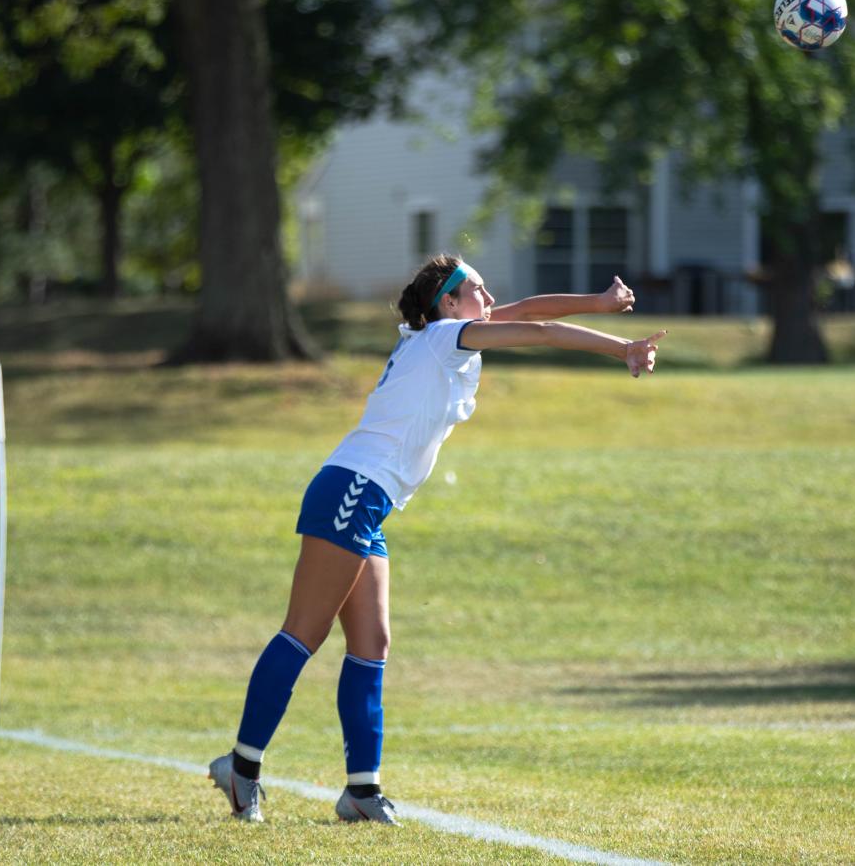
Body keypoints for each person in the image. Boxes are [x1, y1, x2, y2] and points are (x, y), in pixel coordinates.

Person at [208, 254, 666, 826]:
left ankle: (361, 791)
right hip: (351, 490)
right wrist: (619, 345)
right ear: (448, 302)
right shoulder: (446, 336)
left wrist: (598, 303)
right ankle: (242, 770)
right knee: (304, 632)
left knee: (371, 644)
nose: (491, 293)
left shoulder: (448, 335)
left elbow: (530, 312)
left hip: (367, 504)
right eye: (478, 286)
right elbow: (541, 330)